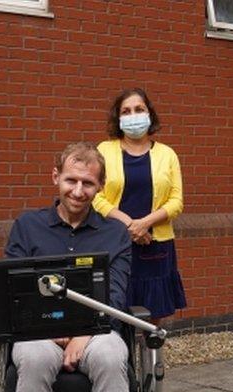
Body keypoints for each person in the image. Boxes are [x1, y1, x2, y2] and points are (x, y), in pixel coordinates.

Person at [0, 142, 139, 392]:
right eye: (71, 180)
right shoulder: (27, 227)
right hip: (38, 334)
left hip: (98, 331)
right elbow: (13, 291)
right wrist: (58, 333)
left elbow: (116, 296)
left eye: (88, 183)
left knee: (114, 356)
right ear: (55, 177)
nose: (78, 191)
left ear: (100, 187)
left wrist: (82, 333)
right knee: (30, 357)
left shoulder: (116, 235)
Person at [95, 88, 186, 323]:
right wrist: (130, 225)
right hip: (114, 241)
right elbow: (96, 197)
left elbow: (176, 202)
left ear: (150, 114)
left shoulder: (168, 154)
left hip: (155, 246)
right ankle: (120, 358)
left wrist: (146, 223)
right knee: (114, 307)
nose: (133, 115)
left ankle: (152, 359)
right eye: (126, 111)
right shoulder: (104, 151)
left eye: (139, 109)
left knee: (151, 312)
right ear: (118, 118)